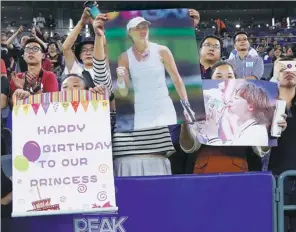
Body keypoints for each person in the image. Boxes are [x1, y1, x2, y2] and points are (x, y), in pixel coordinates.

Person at [179, 61, 287, 174]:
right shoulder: (200, 105)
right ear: (210, 80)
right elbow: (189, 147)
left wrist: (273, 130)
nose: (224, 80)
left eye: (230, 76)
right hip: (204, 169)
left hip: (238, 169)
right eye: (218, 76)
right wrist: (184, 124)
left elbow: (261, 150)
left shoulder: (248, 112)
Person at [116, 16, 194, 129]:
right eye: (138, 28)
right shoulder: (124, 57)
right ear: (130, 32)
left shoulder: (162, 50)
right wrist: (120, 79)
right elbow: (123, 92)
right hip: (142, 110)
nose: (143, 30)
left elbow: (176, 79)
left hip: (164, 107)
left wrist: (186, 105)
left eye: (145, 26)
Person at [62, 5, 112, 93]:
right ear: (80, 56)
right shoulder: (76, 70)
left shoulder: (106, 67)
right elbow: (66, 48)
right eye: (84, 50)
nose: (88, 53)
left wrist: (95, 21)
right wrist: (81, 22)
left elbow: (103, 45)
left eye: (92, 49)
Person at [10, 38, 59, 104]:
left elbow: (52, 104)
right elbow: (11, 105)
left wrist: (35, 88)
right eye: (27, 49)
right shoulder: (18, 77)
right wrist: (21, 88)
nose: (30, 51)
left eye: (35, 49)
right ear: (23, 56)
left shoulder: (50, 76)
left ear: (43, 55)